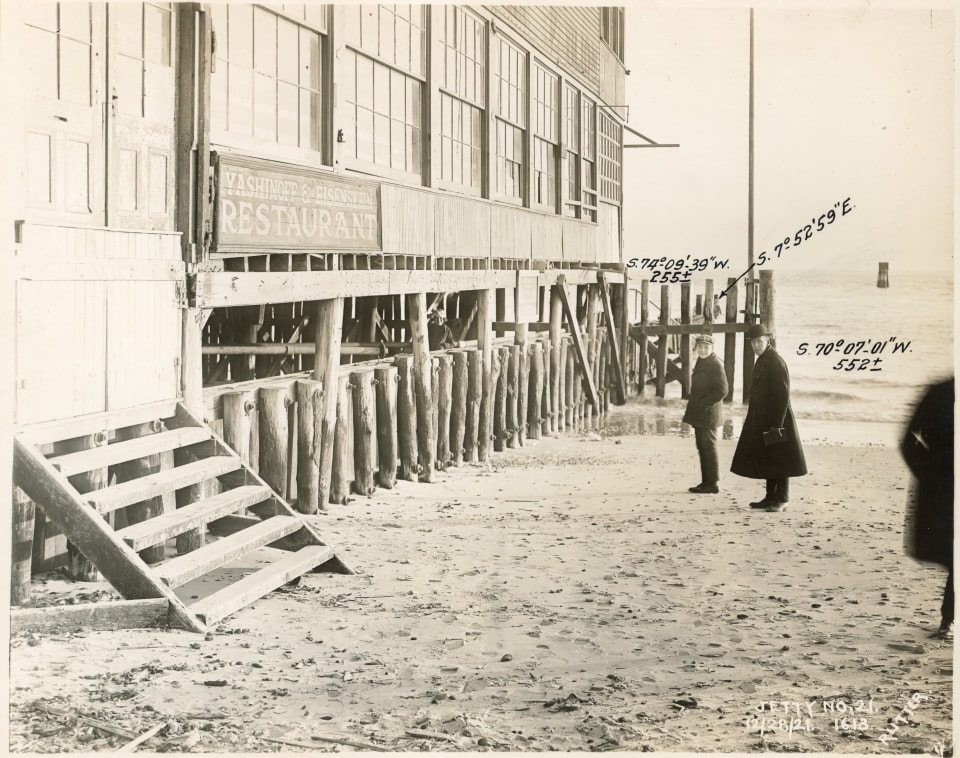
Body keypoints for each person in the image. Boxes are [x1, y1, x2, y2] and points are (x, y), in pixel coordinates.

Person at [730, 323, 807, 511]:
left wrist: (776, 425)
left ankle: (782, 499)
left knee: (780, 459)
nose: (756, 345)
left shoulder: (775, 361)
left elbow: (782, 396)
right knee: (769, 458)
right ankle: (770, 497)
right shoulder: (763, 358)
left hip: (777, 419)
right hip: (764, 417)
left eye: (759, 341)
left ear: (768, 340)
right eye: (753, 342)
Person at [901, 378, 954, 639]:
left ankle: (948, 620)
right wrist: (929, 473)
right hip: (944, 486)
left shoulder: (939, 390)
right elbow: (908, 438)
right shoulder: (941, 391)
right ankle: (948, 620)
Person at [683, 335, 728, 494]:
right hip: (702, 412)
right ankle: (706, 481)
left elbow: (722, 390)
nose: (702, 350)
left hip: (708, 413)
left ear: (712, 348)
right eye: (700, 346)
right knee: (702, 446)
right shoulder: (703, 361)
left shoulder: (715, 364)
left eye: (706, 347)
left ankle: (713, 483)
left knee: (708, 447)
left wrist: (704, 404)